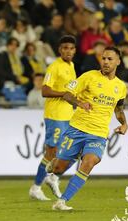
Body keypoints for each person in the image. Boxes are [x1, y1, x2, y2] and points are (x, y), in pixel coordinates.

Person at [51, 46, 128, 210]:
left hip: (98, 134)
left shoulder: (120, 87)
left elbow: (118, 109)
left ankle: (62, 201)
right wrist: (80, 103)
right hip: (77, 129)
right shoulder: (88, 77)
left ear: (118, 62)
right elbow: (67, 94)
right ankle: (50, 170)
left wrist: (124, 123)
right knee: (58, 167)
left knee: (89, 162)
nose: (106, 62)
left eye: (110, 59)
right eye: (104, 58)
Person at [29, 35, 77, 201]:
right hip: (55, 115)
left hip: (68, 116)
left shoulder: (71, 66)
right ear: (60, 50)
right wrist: (63, 94)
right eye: (65, 48)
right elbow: (45, 90)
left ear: (75, 50)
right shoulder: (54, 67)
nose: (68, 51)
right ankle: (36, 187)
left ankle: (53, 178)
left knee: (70, 151)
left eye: (71, 48)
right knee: (51, 153)